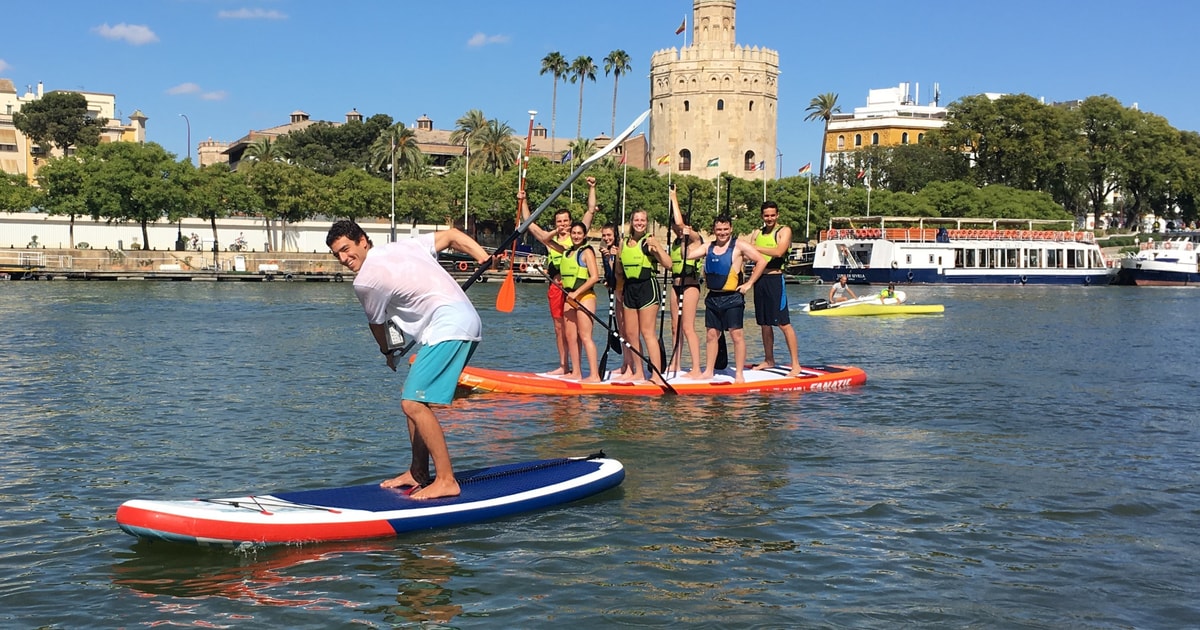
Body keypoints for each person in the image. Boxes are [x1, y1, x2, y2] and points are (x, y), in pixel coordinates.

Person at [326, 219, 492, 500]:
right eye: (337, 255)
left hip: (450, 327)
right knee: (413, 397)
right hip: (457, 322)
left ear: (363, 241)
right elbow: (452, 236)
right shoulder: (405, 246)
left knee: (412, 403)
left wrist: (388, 352)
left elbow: (378, 325)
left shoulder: (365, 281)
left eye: (346, 249)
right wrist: (481, 256)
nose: (343, 259)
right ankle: (418, 472)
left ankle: (446, 480)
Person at [522, 178, 597, 375]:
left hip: (574, 287)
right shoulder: (551, 239)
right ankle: (565, 366)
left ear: (571, 223)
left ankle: (580, 369)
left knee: (578, 331)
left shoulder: (577, 236)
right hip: (557, 287)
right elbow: (530, 224)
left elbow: (590, 211)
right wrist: (523, 201)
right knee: (559, 328)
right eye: (559, 222)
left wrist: (591, 187)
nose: (563, 224)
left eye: (565, 221)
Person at [683, 215, 767, 384]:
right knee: (711, 334)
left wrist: (749, 283)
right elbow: (688, 255)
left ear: (731, 229)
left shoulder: (739, 246)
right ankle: (708, 371)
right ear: (714, 230)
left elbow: (761, 260)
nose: (722, 233)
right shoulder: (708, 247)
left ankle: (739, 375)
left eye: (725, 229)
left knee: (736, 335)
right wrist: (686, 237)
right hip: (713, 297)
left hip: (732, 298)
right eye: (719, 230)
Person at [614, 208, 672, 383]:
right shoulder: (623, 243)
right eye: (636, 220)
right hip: (630, 289)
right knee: (631, 334)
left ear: (646, 223)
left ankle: (657, 375)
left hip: (648, 287)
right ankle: (639, 372)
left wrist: (658, 249)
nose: (639, 223)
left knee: (647, 332)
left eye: (643, 220)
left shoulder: (649, 242)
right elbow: (618, 269)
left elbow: (669, 264)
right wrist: (618, 287)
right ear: (631, 222)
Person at [539, 221, 602, 382]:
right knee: (570, 336)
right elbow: (545, 240)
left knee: (585, 336)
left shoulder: (587, 252)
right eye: (573, 233)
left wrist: (577, 293)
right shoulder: (566, 251)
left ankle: (594, 375)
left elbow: (595, 277)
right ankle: (576, 373)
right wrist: (556, 230)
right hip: (569, 298)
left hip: (585, 297)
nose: (576, 236)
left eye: (579, 233)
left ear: (584, 235)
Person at [749, 201, 802, 377]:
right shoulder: (757, 232)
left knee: (783, 323)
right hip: (759, 279)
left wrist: (753, 247)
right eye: (766, 215)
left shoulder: (783, 231)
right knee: (764, 323)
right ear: (762, 216)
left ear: (777, 215)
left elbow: (779, 251)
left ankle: (796, 364)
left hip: (775, 279)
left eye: (772, 215)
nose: (769, 218)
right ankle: (769, 359)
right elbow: (749, 254)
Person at [666, 184, 703, 379]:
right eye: (674, 230)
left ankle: (696, 368)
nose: (678, 232)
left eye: (679, 229)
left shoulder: (695, 239)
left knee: (688, 326)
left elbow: (681, 225)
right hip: (675, 284)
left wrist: (673, 197)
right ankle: (676, 364)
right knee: (675, 326)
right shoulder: (674, 243)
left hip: (690, 285)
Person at [599, 222, 633, 380]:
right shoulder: (605, 251)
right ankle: (625, 364)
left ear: (615, 235)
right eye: (604, 235)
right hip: (614, 291)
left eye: (609, 235)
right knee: (621, 330)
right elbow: (609, 274)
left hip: (624, 291)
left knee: (628, 330)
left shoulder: (619, 248)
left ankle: (631, 366)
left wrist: (613, 258)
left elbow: (621, 271)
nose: (606, 238)